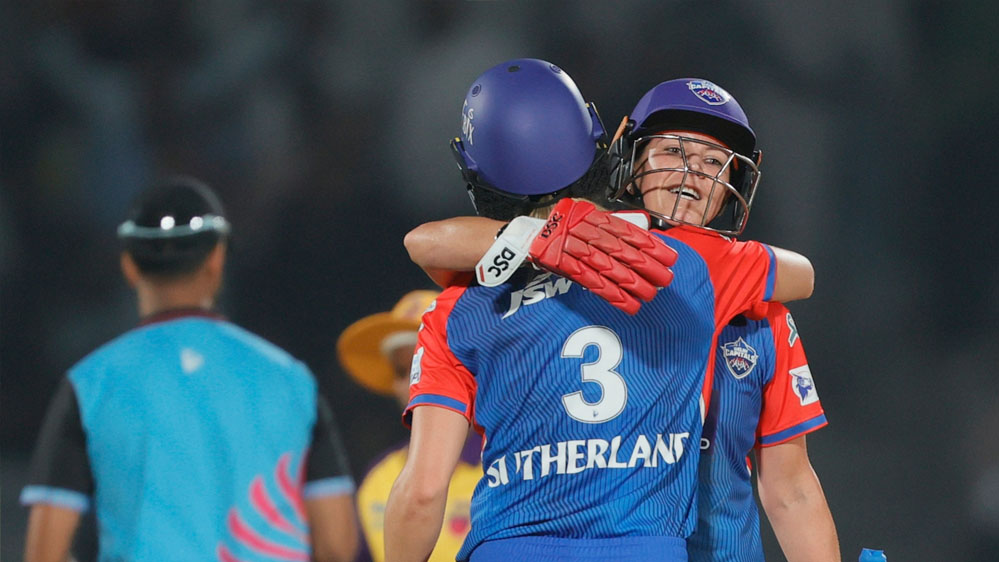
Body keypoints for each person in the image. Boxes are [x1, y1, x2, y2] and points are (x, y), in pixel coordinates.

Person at [385, 59, 810, 562]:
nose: (692, 173)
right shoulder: (686, 260)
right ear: (602, 144)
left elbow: (422, 494)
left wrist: (534, 236)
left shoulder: (455, 307)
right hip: (643, 549)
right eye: (674, 151)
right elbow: (802, 274)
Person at [20, 177, 359, 562]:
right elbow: (337, 545)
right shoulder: (291, 380)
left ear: (129, 265)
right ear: (216, 259)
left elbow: (44, 553)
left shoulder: (90, 384)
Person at [336, 289, 482, 562]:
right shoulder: (378, 478)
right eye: (403, 371)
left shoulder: (505, 463)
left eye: (426, 363)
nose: (412, 382)